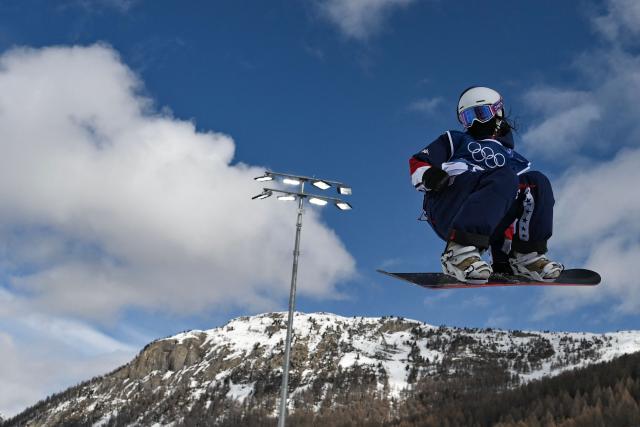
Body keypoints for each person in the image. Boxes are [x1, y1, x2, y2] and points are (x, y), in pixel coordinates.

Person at [409, 86, 563, 284]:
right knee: (503, 176)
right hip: (449, 204)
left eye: (480, 114)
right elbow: (418, 161)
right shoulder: (456, 140)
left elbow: (503, 200)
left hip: (485, 218)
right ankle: (457, 253)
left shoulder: (511, 160)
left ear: (498, 112)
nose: (474, 122)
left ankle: (525, 257)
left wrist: (501, 257)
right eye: (467, 118)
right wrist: (429, 174)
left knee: (536, 183)